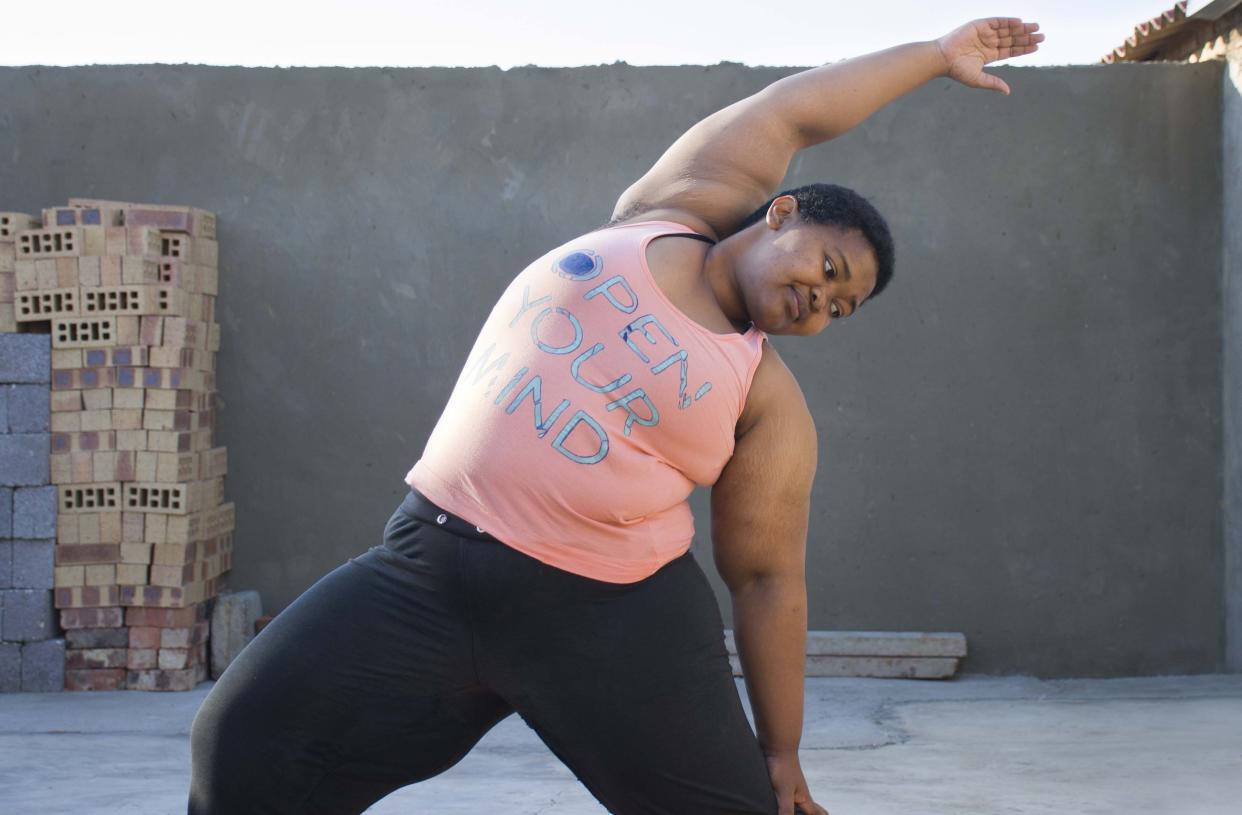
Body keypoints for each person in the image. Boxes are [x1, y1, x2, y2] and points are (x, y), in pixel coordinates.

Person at [188, 17, 1042, 815]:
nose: (819, 299)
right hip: (432, 569)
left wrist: (781, 750)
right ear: (781, 213)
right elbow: (792, 112)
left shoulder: (767, 401)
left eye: (839, 307)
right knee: (242, 746)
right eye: (826, 267)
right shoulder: (667, 211)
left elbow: (768, 579)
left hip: (609, 615)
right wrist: (936, 54)